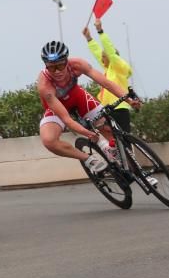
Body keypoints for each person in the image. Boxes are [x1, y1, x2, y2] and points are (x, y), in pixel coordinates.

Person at [36, 40, 139, 174]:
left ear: (67, 61)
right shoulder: (44, 85)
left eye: (60, 66)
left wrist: (130, 100)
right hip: (57, 108)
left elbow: (106, 83)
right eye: (51, 67)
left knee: (107, 127)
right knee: (48, 140)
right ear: (46, 66)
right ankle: (88, 159)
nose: (57, 72)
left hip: (77, 97)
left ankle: (134, 169)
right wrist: (87, 133)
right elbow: (66, 119)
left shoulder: (77, 65)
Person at [82, 18, 133, 135]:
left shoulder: (118, 67)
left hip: (119, 109)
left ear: (111, 57)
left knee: (124, 141)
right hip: (108, 110)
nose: (102, 58)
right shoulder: (108, 70)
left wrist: (100, 31)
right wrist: (89, 38)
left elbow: (109, 50)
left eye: (104, 56)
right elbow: (97, 52)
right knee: (112, 141)